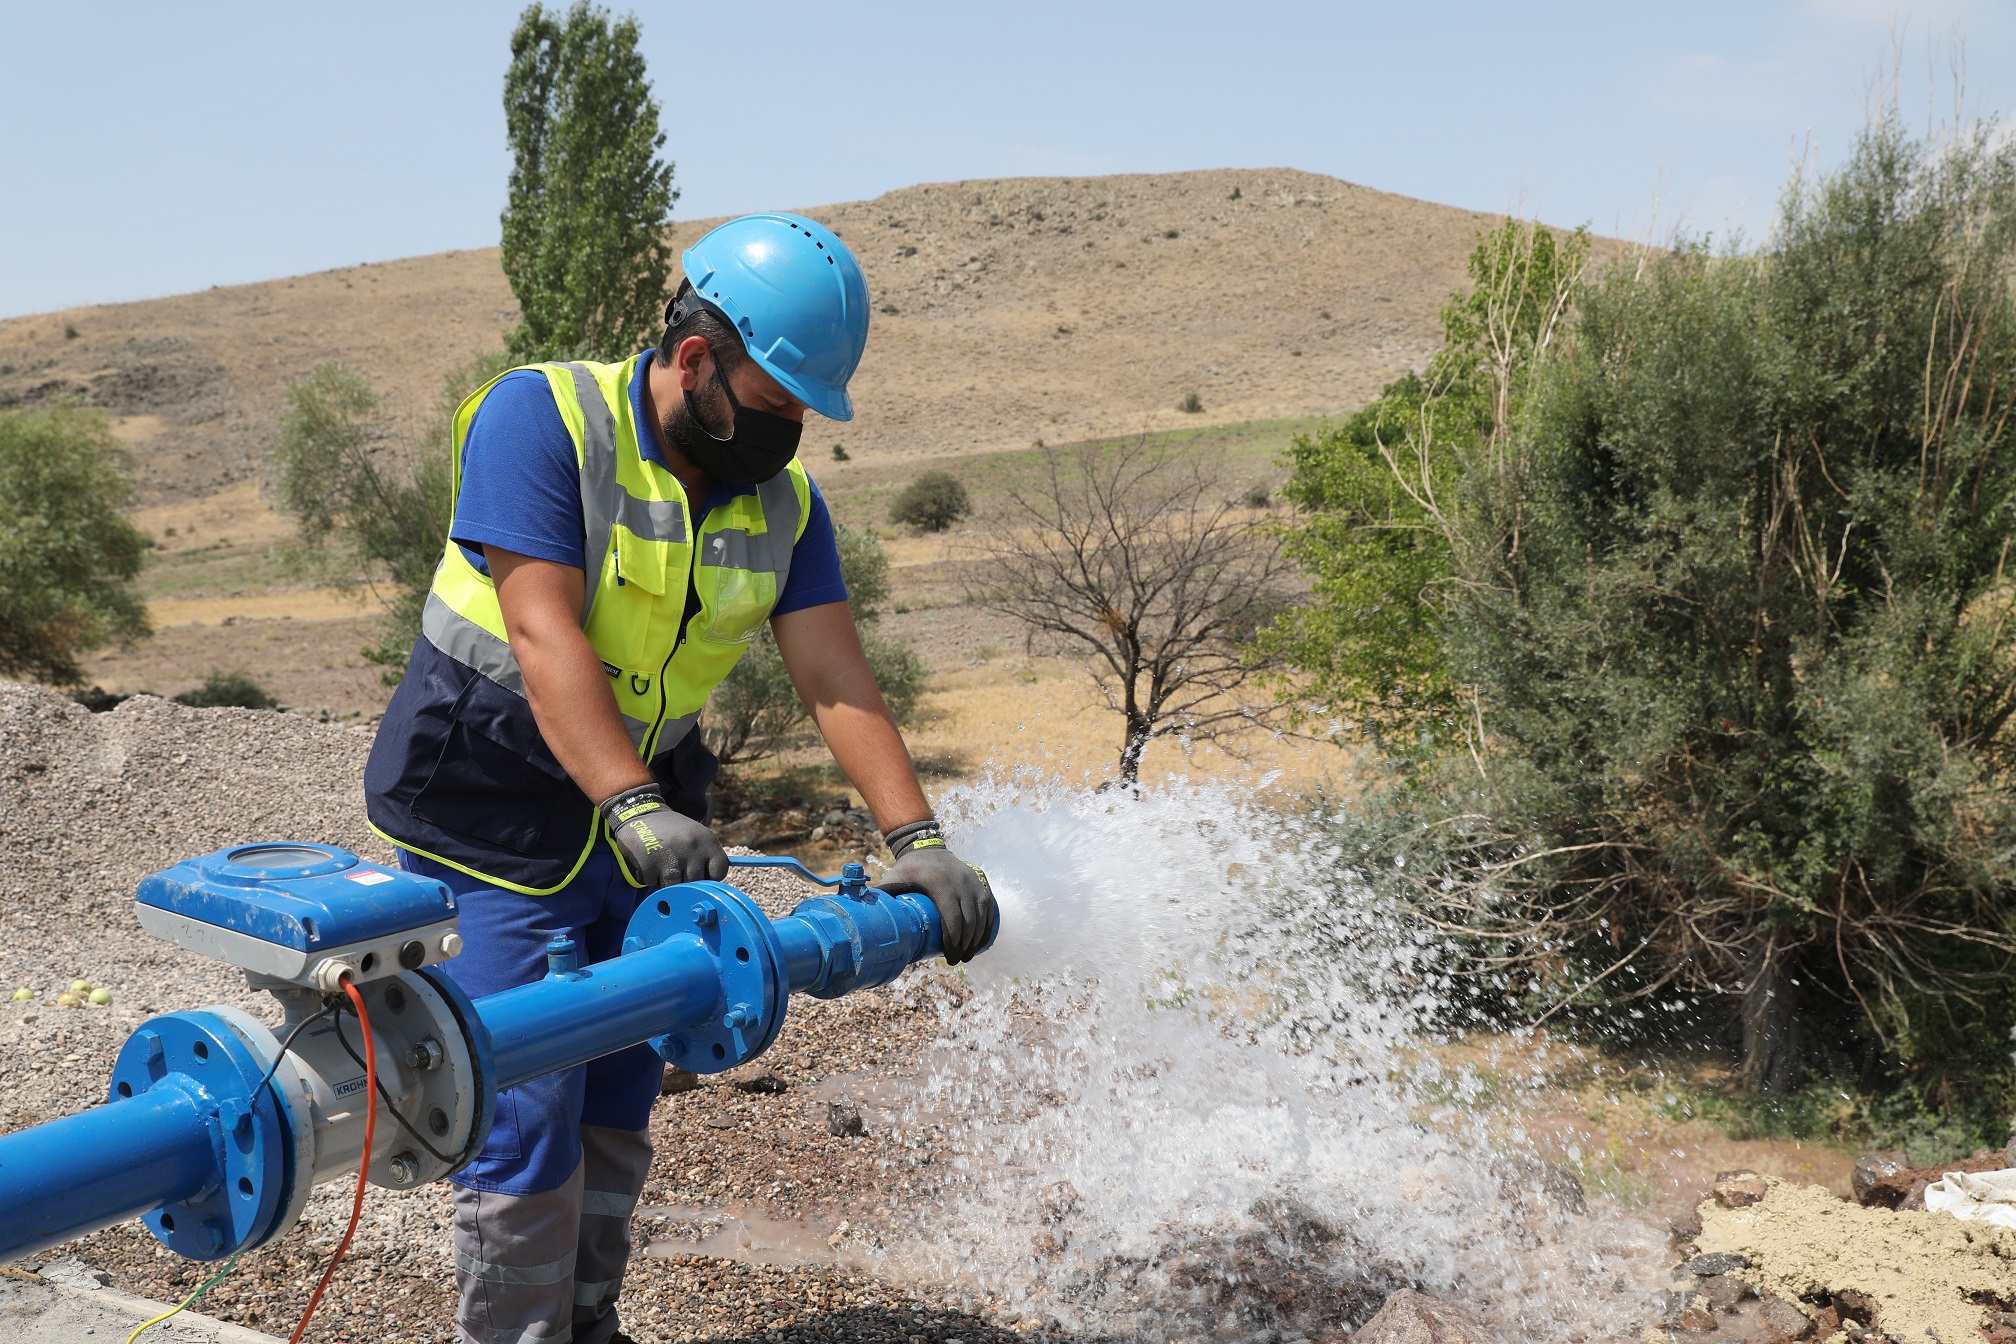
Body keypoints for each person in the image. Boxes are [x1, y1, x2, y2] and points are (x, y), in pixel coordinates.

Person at [363, 212, 996, 1344]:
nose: (785, 436)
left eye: (803, 415)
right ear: (695, 358)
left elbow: (835, 675)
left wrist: (917, 841)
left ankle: (589, 1322)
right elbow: (542, 627)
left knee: (618, 1074)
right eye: (773, 405)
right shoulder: (545, 417)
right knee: (525, 1089)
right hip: (489, 798)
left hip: (641, 803)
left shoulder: (785, 505)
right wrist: (631, 801)